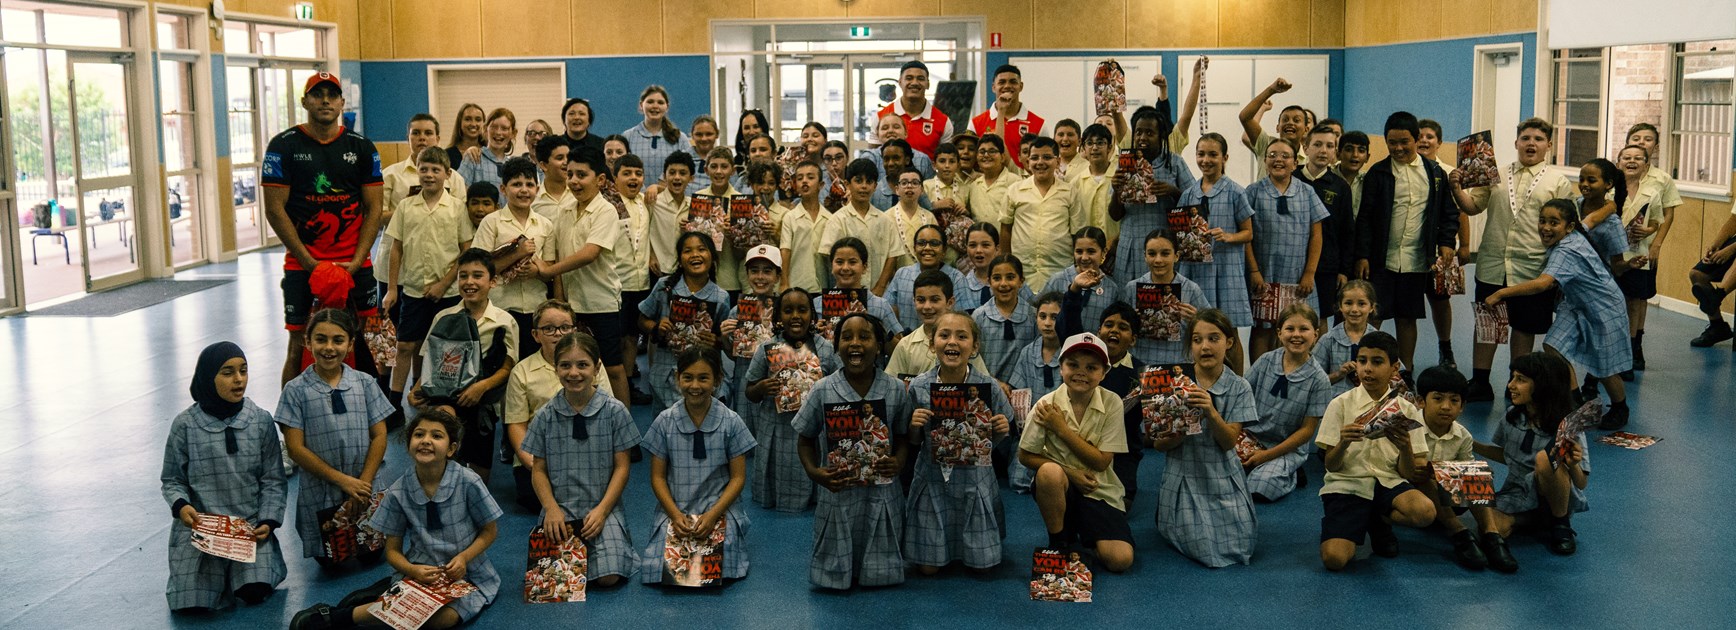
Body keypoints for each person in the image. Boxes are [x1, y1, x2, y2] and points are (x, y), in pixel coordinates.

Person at [289, 410, 502, 630]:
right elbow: (392, 551)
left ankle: (374, 599)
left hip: (468, 573)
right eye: (419, 435)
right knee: (411, 613)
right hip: (420, 570)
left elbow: (490, 531)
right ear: (408, 443)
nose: (426, 441)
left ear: (451, 449)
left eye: (437, 436)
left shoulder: (468, 482)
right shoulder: (398, 491)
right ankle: (337, 617)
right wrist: (412, 570)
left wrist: (464, 558)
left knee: (443, 620)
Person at [263, 72, 383, 386]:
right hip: (302, 266)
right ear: (305, 101)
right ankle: (290, 421)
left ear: (343, 102)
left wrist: (357, 261)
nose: (325, 100)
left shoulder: (362, 147)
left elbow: (373, 210)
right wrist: (309, 263)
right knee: (297, 345)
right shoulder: (282, 146)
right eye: (318, 94)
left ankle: (379, 412)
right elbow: (275, 210)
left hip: (356, 265)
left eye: (332, 95)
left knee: (377, 344)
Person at [1451, 118, 1577, 402]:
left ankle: (1517, 381)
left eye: (1538, 139)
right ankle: (1480, 382)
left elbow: (1566, 225)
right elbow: (1473, 207)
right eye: (1526, 138)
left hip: (1532, 268)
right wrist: (1457, 189)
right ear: (1516, 142)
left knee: (1524, 328)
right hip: (1493, 263)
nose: (1531, 143)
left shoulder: (1558, 182)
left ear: (1548, 145)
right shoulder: (1494, 173)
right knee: (1488, 325)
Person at [1485, 199, 1632, 430]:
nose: (1546, 227)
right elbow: (1590, 219)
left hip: (1604, 307)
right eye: (1542, 221)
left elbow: (1544, 284)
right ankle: (1573, 403)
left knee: (1605, 366)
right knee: (1554, 346)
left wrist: (1502, 293)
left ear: (1568, 227)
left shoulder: (1567, 250)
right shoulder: (1574, 232)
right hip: (1575, 304)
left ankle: (1620, 407)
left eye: (1554, 222)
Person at [162, 342, 286, 613]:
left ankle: (251, 570)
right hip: (202, 530)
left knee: (254, 591)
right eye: (227, 372)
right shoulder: (184, 425)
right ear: (208, 377)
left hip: (249, 529)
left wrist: (268, 520)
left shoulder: (261, 421)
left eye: (243, 370)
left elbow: (273, 479)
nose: (239, 379)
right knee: (192, 605)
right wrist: (182, 506)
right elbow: (172, 479)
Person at [794, 313, 914, 589]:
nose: (855, 343)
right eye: (846, 337)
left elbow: (904, 436)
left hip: (883, 491)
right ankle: (836, 577)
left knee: (880, 545)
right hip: (838, 490)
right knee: (837, 548)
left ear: (881, 346)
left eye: (865, 336)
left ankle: (879, 573)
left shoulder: (895, 389)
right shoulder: (822, 389)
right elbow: (805, 439)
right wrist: (815, 473)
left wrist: (898, 461)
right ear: (836, 346)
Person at [276, 310, 392, 565]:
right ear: (307, 342)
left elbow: (380, 435)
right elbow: (295, 449)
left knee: (372, 557)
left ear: (351, 344)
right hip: (322, 492)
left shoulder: (365, 383)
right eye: (321, 339)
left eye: (338, 340)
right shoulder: (294, 391)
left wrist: (362, 483)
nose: (329, 348)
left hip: (364, 489)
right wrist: (343, 482)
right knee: (331, 563)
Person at [523, 330, 638, 586]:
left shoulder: (615, 411)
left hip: (602, 508)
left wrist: (603, 510)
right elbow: (538, 469)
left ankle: (613, 544)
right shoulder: (545, 416)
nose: (574, 373)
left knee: (608, 578)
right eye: (565, 365)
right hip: (559, 511)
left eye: (582, 365)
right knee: (555, 582)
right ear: (555, 369)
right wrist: (551, 509)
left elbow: (622, 467)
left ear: (596, 368)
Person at [1314, 331, 1435, 571]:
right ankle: (1362, 519)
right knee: (1334, 560)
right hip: (1347, 484)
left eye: (1377, 362)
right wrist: (1344, 443)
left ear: (1394, 367)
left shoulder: (1406, 409)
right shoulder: (1340, 404)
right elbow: (1331, 465)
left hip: (1388, 481)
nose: (1367, 369)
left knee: (1425, 512)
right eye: (1362, 361)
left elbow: (1409, 473)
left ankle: (1377, 518)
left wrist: (1405, 447)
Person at [905, 312, 1014, 574]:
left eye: (962, 336)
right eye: (944, 335)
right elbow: (912, 442)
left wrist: (1000, 430)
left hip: (974, 479)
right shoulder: (919, 387)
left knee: (983, 568)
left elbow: (996, 442)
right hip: (932, 478)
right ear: (933, 344)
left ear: (975, 347)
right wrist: (914, 426)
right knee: (928, 570)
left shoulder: (989, 387)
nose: (952, 342)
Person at [1150, 309, 1260, 568]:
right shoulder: (1170, 382)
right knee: (1204, 546)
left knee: (1242, 544)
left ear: (1229, 343)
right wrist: (1182, 421)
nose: (1205, 347)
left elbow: (1229, 442)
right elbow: (1159, 445)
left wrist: (1210, 411)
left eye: (1214, 338)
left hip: (1222, 473)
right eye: (1197, 340)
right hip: (1184, 473)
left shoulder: (1239, 386)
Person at [1019, 332, 1135, 573]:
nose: (1081, 372)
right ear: (1060, 368)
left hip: (1099, 489)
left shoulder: (1112, 402)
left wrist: (1061, 430)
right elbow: (1025, 455)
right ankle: (1059, 541)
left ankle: (1084, 534)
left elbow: (1102, 462)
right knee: (1049, 472)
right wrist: (1070, 473)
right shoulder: (1046, 405)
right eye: (1073, 365)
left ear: (1103, 373)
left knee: (1120, 560)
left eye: (1091, 367)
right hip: (1062, 487)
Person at [1355, 112, 1460, 377]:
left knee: (1407, 317)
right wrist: (1363, 255)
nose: (1399, 148)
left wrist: (1446, 242)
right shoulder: (1377, 174)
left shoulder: (1435, 174)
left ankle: (1405, 372)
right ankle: (1365, 370)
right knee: (1374, 315)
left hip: (1416, 259)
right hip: (1381, 259)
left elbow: (1448, 213)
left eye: (1405, 142)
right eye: (1392, 142)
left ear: (1417, 140)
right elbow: (1365, 218)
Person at [641, 347, 757, 584]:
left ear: (718, 380)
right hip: (676, 509)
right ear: (677, 378)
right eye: (688, 377)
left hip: (719, 509)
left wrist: (714, 515)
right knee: (655, 570)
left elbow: (738, 479)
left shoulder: (731, 421)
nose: (695, 385)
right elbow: (657, 478)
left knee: (727, 570)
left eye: (703, 378)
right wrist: (674, 515)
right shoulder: (664, 421)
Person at [408, 249, 519, 483]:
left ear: (493, 282)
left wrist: (482, 387)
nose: (469, 282)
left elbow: (508, 367)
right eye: (463, 276)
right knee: (443, 465)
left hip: (481, 401)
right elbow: (431, 360)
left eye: (478, 276)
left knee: (479, 477)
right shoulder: (444, 317)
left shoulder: (504, 321)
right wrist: (415, 389)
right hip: (444, 397)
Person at [1472, 352, 1590, 569]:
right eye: (1512, 378)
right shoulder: (1512, 416)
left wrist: (1573, 463)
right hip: (1517, 493)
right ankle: (1534, 521)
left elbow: (1581, 483)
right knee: (1489, 526)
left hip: (1553, 495)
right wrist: (1471, 444)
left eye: (1521, 380)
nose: (1511, 385)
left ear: (1543, 385)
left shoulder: (1567, 427)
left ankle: (1560, 524)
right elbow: (1507, 456)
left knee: (1545, 459)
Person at [504, 302, 615, 511]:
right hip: (539, 462)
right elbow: (517, 426)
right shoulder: (521, 372)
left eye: (565, 327)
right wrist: (536, 467)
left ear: (574, 330)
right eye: (548, 328)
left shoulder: (593, 365)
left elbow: (608, 417)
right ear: (536, 335)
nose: (558, 334)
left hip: (588, 459)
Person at [542, 148, 632, 406]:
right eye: (569, 174)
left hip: (600, 302)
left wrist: (548, 271)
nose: (574, 181)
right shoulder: (565, 209)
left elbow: (590, 253)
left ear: (600, 180)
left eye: (582, 175)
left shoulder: (606, 210)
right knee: (575, 367)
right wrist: (560, 303)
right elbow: (560, 255)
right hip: (572, 305)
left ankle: (624, 428)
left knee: (612, 368)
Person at [383, 148, 472, 399]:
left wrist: (444, 283)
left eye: (435, 170)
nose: (429, 174)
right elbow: (396, 249)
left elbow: (466, 251)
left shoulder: (457, 208)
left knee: (443, 347)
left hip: (448, 292)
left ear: (447, 174)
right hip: (413, 289)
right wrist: (392, 288)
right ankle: (394, 400)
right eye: (424, 169)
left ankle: (433, 394)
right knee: (405, 345)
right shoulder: (405, 206)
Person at [745, 287, 838, 512]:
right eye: (788, 310)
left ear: (812, 316)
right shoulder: (766, 348)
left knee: (814, 459)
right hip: (777, 426)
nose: (795, 315)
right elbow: (749, 391)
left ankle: (815, 498)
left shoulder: (826, 348)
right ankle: (776, 498)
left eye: (802, 310)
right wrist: (762, 387)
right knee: (783, 465)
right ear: (778, 317)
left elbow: (838, 384)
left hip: (815, 427)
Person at [1405, 365, 1500, 571]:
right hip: (1413, 495)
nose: (1446, 406)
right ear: (1421, 402)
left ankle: (1492, 535)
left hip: (1447, 497)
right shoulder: (1409, 427)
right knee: (1423, 476)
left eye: (1454, 400)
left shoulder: (1463, 435)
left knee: (1476, 474)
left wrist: (1474, 473)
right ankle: (1459, 532)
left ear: (1462, 406)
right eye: (1438, 399)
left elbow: (1464, 468)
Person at [1245, 138, 1328, 363]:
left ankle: (1300, 372)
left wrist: (1309, 273)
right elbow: (1246, 237)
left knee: (1300, 326)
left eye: (1285, 156)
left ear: (1295, 163)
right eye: (1272, 155)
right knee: (1262, 328)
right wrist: (1254, 271)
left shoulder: (1308, 192)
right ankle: (1259, 376)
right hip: (1265, 274)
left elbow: (1316, 235)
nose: (1278, 160)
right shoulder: (1253, 192)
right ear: (1265, 161)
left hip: (1298, 276)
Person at [1178, 133, 1255, 373]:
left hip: (1227, 270)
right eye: (1201, 154)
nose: (1206, 159)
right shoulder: (1189, 194)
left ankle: (1238, 381)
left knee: (1229, 331)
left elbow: (1248, 233)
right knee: (1199, 329)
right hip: (1196, 271)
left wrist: (1229, 236)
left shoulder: (1235, 192)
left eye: (1213, 154)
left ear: (1225, 158)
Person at [1242, 303, 1331, 503]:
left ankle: (1291, 473)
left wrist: (1266, 456)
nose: (1296, 335)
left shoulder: (1319, 380)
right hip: (1250, 437)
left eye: (1304, 329)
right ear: (1279, 333)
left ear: (1315, 334)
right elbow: (1242, 394)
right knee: (1219, 472)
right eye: (1290, 329)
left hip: (1286, 447)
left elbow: (1307, 431)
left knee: (1259, 487)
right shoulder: (1266, 360)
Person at [471, 157, 555, 359]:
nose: (524, 190)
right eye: (516, 184)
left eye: (529, 184)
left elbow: (551, 268)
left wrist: (537, 271)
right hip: (500, 307)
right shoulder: (492, 222)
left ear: (537, 188)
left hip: (536, 308)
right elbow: (479, 268)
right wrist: (516, 254)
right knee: (501, 365)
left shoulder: (545, 225)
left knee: (532, 363)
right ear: (503, 189)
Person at [638, 231, 732, 410]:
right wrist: (656, 327)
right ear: (680, 260)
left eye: (702, 249)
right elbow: (642, 320)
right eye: (688, 250)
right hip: (667, 371)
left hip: (704, 372)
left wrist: (716, 341)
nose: (695, 254)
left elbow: (725, 340)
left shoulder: (721, 297)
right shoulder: (664, 287)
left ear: (712, 256)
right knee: (666, 426)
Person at [378, 114, 466, 303]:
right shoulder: (390, 175)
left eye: (428, 133)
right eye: (415, 133)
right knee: (400, 328)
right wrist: (412, 210)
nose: (422, 138)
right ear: (408, 138)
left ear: (438, 138)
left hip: (441, 271)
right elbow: (376, 218)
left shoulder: (455, 178)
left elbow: (461, 225)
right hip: (395, 267)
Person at [1609, 143, 1678, 367]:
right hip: (1610, 256)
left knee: (1634, 302)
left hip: (1637, 254)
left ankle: (1630, 352)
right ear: (1618, 162)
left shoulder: (1653, 193)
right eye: (1626, 157)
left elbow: (1658, 220)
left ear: (1646, 165)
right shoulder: (1609, 190)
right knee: (1611, 302)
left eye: (1638, 158)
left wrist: (1648, 230)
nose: (1632, 161)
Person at [1111, 106, 1196, 285]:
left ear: (1161, 136)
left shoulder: (1174, 163)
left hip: (1163, 246)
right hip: (1131, 244)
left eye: (1150, 133)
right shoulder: (1125, 165)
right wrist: (1116, 190)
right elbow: (1115, 214)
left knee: (1162, 302)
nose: (1142, 138)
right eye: (1139, 132)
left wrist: (1173, 192)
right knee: (1129, 302)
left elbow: (1194, 207)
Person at [1415, 119, 1467, 366]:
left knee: (1440, 300)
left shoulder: (1447, 173)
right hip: (1412, 251)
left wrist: (1464, 245)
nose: (1424, 140)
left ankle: (1445, 348)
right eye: (1420, 136)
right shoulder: (1406, 170)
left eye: (1430, 136)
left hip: (1441, 251)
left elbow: (1460, 212)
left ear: (1439, 142)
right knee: (1408, 305)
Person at [1007, 137, 1087, 289]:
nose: (1040, 162)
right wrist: (1007, 263)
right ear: (1028, 161)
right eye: (1035, 158)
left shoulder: (1070, 192)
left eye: (1047, 157)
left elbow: (1077, 234)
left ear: (1057, 162)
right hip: (1023, 272)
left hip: (1060, 271)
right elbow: (1006, 229)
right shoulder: (1014, 190)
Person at [1005, 292, 1066, 492]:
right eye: (1042, 316)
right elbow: (1019, 394)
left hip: (1063, 426)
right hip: (1033, 425)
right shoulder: (1027, 352)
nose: (1048, 323)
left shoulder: (1070, 352)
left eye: (1054, 317)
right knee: (1018, 481)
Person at [1295, 124, 1355, 322]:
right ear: (1306, 147)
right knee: (1289, 317)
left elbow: (1347, 233)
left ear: (1335, 152)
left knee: (1318, 319)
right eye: (1318, 144)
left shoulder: (1341, 187)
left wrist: (1343, 271)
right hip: (1292, 264)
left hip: (1326, 267)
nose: (1323, 151)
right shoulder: (1291, 179)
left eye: (1330, 146)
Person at [1124, 230, 1209, 366]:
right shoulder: (1132, 288)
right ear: (1144, 256)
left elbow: (1212, 328)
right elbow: (1120, 330)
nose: (1158, 260)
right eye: (1152, 254)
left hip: (1180, 364)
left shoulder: (1191, 289)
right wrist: (1129, 322)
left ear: (1176, 256)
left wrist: (1196, 319)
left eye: (1165, 253)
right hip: (1140, 363)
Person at [885, 269, 990, 379]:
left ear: (950, 302)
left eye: (935, 300)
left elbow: (983, 382)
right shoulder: (906, 346)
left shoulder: (963, 343)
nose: (927, 307)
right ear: (914, 301)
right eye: (921, 300)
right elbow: (893, 386)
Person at [818, 158, 899, 295]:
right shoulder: (837, 220)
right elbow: (828, 257)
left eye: (869, 182)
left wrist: (880, 288)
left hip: (878, 292)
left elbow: (892, 256)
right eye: (858, 181)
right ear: (847, 184)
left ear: (875, 186)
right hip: (843, 293)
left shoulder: (885, 220)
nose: (864, 186)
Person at [815, 238, 904, 343]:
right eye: (839, 262)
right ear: (831, 266)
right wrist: (814, 335)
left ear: (864, 267)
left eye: (852, 262)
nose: (845, 267)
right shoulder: (816, 304)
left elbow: (899, 350)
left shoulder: (881, 306)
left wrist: (880, 332)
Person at [1046, 226, 1122, 336]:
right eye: (1079, 251)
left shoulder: (1112, 288)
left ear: (1104, 252)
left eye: (1091, 251)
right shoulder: (1058, 280)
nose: (1084, 257)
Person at [887, 224, 964, 332]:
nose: (927, 248)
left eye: (934, 243)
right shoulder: (902, 274)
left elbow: (962, 317)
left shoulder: (957, 278)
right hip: (906, 343)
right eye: (921, 243)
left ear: (944, 250)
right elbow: (888, 310)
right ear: (914, 248)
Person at [973, 254, 1036, 382]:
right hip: (988, 388)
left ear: (1021, 281)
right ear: (989, 281)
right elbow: (973, 358)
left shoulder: (1033, 316)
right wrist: (994, 383)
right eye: (997, 278)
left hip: (1024, 391)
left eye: (1010, 277)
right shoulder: (979, 316)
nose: (1003, 284)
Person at [970, 65, 1044, 169]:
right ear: (993, 87)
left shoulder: (1039, 124)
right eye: (1002, 82)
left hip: (1024, 182)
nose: (1007, 86)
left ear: (1021, 86)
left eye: (1013, 82)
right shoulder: (976, 123)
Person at [1315, 279, 1380, 398]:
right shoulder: (1328, 340)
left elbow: (1395, 375)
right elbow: (1313, 382)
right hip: (1336, 403)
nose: (1354, 309)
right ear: (1340, 306)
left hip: (1371, 403)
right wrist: (1338, 374)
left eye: (1361, 304)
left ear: (1372, 307)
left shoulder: (1380, 341)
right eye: (1348, 303)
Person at [878, 60, 953, 159]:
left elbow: (946, 160)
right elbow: (874, 157)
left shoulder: (943, 122)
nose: (914, 83)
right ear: (900, 82)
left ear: (928, 84)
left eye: (920, 78)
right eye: (909, 78)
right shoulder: (881, 117)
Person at [1238, 78, 1309, 179]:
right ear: (1277, 128)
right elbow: (1245, 118)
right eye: (1285, 120)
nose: (1290, 123)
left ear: (1306, 129)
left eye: (1296, 120)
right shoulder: (1266, 143)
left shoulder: (1308, 160)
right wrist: (1271, 90)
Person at [621, 85, 692, 185]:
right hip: (636, 197)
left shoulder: (680, 138)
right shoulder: (628, 137)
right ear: (641, 105)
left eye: (660, 102)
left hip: (671, 198)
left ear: (667, 107)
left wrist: (660, 188)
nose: (655, 106)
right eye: (650, 102)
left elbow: (688, 170)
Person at [781, 160, 830, 292]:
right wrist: (784, 283)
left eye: (810, 177)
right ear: (795, 185)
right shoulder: (790, 217)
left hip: (824, 286)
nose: (804, 181)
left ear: (821, 185)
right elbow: (785, 251)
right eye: (800, 178)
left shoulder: (830, 219)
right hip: (797, 284)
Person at [645, 150, 695, 282]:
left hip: (684, 272)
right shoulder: (653, 201)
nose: (677, 177)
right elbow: (642, 231)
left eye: (683, 173)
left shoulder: (694, 207)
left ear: (691, 178)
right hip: (655, 270)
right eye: (672, 172)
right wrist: (650, 255)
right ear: (665, 176)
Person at [1070, 124, 1119, 256]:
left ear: (1110, 147)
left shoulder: (1120, 178)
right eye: (1090, 143)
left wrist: (1114, 242)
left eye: (1100, 143)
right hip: (1087, 253)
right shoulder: (1075, 183)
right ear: (1083, 149)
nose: (1095, 148)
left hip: (1116, 249)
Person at [457, 108, 515, 203]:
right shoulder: (474, 158)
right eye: (494, 127)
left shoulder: (513, 165)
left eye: (504, 128)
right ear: (485, 129)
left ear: (513, 133)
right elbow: (459, 193)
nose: (498, 132)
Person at [886, 166, 939, 270]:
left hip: (925, 273)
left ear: (922, 190)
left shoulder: (929, 217)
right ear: (897, 189)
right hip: (895, 276)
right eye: (904, 183)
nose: (909, 186)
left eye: (915, 183)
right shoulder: (886, 217)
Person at [967, 134, 1016, 230]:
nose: (986, 155)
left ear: (1002, 157)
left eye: (992, 151)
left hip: (1007, 243)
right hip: (980, 243)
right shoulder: (973, 186)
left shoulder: (1015, 183)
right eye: (982, 151)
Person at [1336, 131, 1371, 218]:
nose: (1355, 155)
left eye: (1361, 150)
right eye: (1349, 149)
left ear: (1367, 157)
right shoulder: (1328, 178)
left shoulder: (1369, 181)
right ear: (1338, 154)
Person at [687, 115, 722, 194]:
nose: (704, 138)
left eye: (709, 134)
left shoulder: (725, 161)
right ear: (692, 135)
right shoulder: (681, 159)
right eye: (699, 134)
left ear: (717, 134)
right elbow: (665, 186)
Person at [445, 103, 485, 169]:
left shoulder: (489, 153)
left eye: (478, 119)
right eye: (468, 119)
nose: (473, 124)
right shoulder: (447, 155)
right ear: (460, 122)